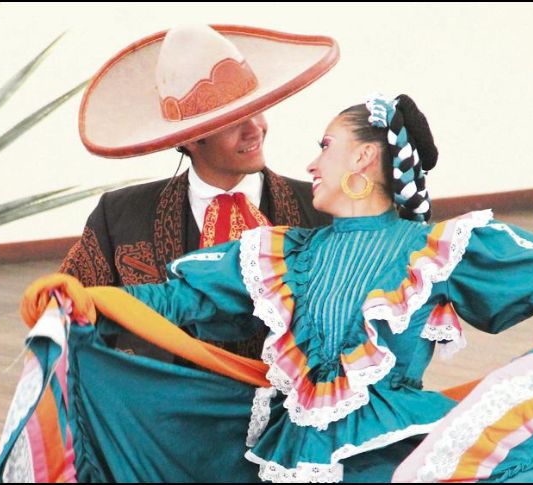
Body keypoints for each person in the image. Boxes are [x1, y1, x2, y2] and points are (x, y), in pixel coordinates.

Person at [0, 94, 533, 483]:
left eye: (326, 145)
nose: (312, 159)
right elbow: (179, 299)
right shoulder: (283, 252)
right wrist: (88, 297)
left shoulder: (438, 247)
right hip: (294, 453)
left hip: (396, 455)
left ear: (364, 166)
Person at [59, 24, 336, 358]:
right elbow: (67, 314)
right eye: (233, 121)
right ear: (189, 137)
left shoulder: (324, 209)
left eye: (257, 109)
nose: (255, 130)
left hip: (288, 407)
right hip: (163, 408)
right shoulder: (119, 217)